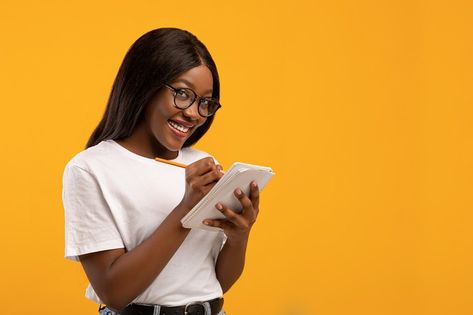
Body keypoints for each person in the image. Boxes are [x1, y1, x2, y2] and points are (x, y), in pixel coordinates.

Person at [62, 28, 261, 315]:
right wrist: (185, 210)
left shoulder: (203, 164)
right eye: (183, 94)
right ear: (145, 85)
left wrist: (239, 236)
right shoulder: (90, 169)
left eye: (205, 102)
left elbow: (214, 282)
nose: (194, 113)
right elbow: (114, 292)